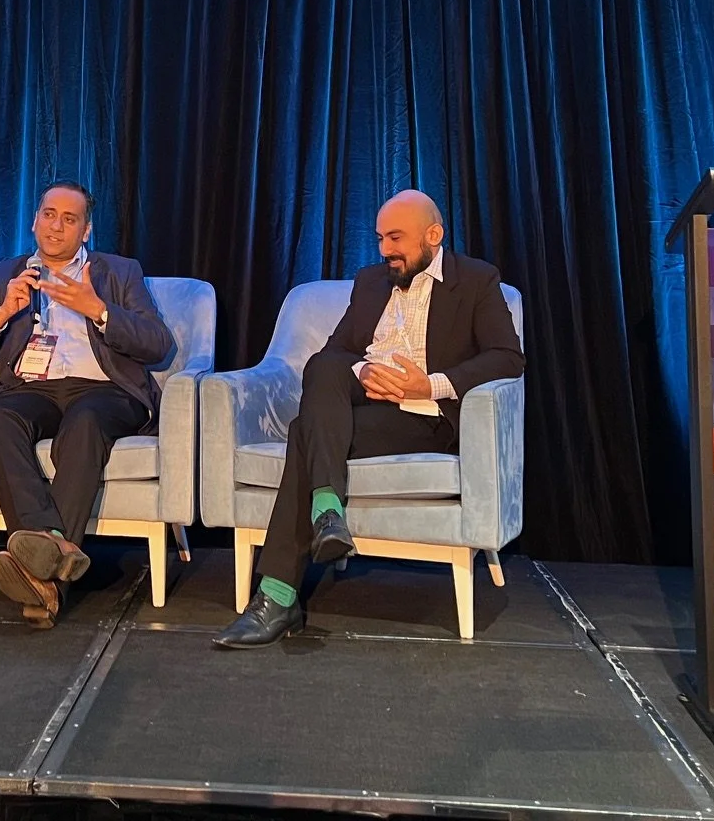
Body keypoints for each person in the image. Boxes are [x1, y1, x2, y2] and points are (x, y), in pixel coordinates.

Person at [212, 190, 526, 648]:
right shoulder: (369, 281)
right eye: (380, 238)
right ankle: (326, 514)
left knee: (304, 432)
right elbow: (335, 353)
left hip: (425, 416)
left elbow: (507, 358)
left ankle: (278, 596)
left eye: (395, 238)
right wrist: (365, 372)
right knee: (325, 365)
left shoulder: (477, 280)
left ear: (433, 235)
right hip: (363, 403)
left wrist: (430, 384)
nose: (385, 251)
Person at [0, 180, 172, 627]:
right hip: (34, 388)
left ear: (86, 231)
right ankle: (53, 549)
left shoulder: (117, 273)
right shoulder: (3, 274)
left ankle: (41, 578)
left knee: (85, 423)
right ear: (34, 220)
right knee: (1, 416)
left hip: (104, 389)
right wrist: (2, 314)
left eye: (69, 219)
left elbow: (157, 345)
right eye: (49, 215)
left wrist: (99, 310)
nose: (56, 227)